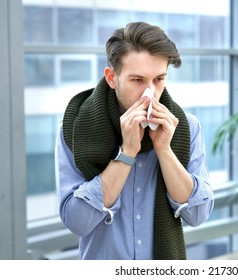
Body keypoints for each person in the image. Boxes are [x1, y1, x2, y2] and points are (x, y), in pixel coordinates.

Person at [55, 21, 214, 260]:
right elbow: (76, 221)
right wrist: (127, 153)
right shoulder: (76, 129)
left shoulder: (186, 127)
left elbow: (198, 215)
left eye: (159, 79)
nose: (149, 92)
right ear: (111, 77)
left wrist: (164, 149)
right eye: (137, 80)